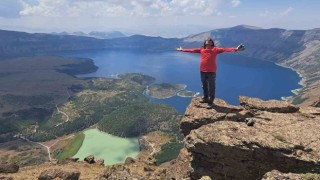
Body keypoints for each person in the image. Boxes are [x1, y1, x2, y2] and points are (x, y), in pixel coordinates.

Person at [176, 37, 245, 109]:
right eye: (207, 40)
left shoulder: (215, 49)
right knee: (204, 86)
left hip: (211, 72)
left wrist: (236, 49)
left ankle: (210, 102)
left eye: (210, 41)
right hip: (202, 71)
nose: (208, 41)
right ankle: (205, 98)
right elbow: (192, 50)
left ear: (212, 43)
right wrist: (182, 50)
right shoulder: (201, 49)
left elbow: (225, 49)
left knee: (211, 87)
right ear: (205, 42)